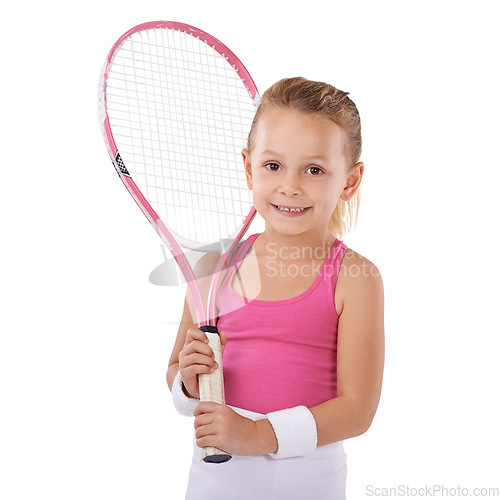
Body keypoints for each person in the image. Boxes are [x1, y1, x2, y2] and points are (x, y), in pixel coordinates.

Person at [166, 77, 385, 499]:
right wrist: (190, 381)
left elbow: (357, 411)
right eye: (273, 166)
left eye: (315, 170)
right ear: (249, 168)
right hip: (213, 483)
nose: (290, 185)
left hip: (307, 485)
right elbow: (177, 373)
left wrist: (257, 434)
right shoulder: (214, 267)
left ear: (350, 181)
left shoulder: (355, 279)